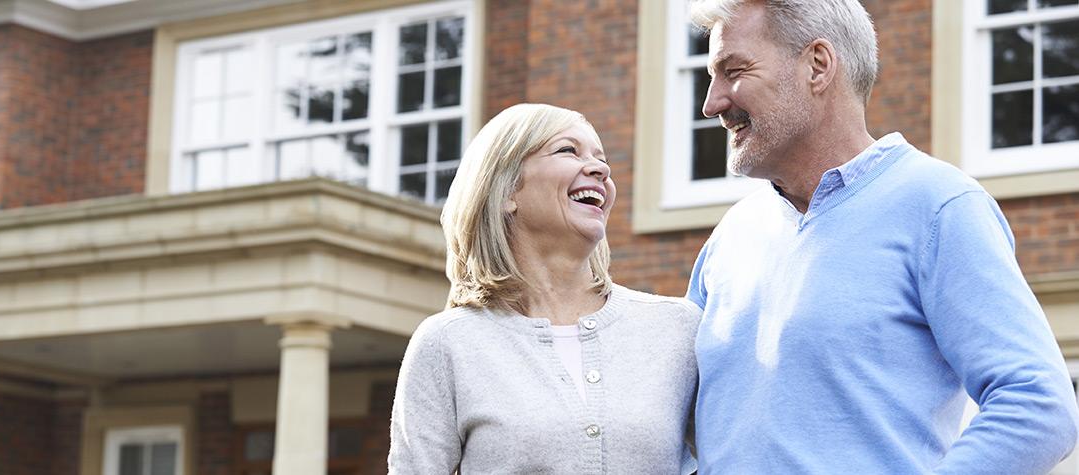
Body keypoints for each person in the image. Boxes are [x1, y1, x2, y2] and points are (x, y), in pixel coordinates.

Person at [685, 0, 1079, 473]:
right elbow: (680, 426)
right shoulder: (730, 238)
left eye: (734, 71)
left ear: (818, 65)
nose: (712, 104)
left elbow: (1038, 402)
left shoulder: (937, 205)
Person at [389, 103, 701, 473]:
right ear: (506, 192)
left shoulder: (678, 327)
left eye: (601, 159)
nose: (600, 168)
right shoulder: (447, 343)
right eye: (568, 150)